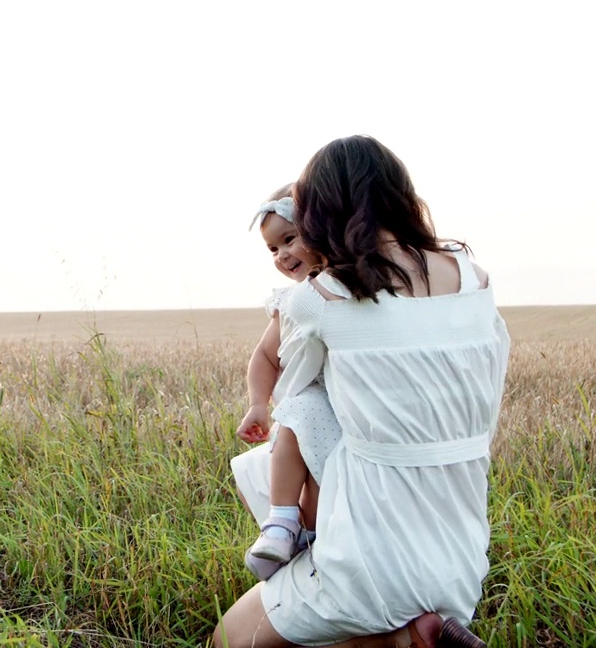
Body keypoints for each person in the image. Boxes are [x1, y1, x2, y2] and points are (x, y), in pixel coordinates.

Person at [214, 135, 510, 648]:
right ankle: (420, 626)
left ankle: (396, 628)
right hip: (460, 548)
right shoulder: (474, 278)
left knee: (228, 640)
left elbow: (294, 393)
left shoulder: (324, 296)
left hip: (366, 551)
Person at [233, 184, 344, 581]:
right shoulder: (288, 301)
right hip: (307, 402)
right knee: (297, 428)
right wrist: (258, 404)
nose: (282, 255)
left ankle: (309, 535)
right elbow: (264, 356)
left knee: (319, 479)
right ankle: (280, 524)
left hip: (347, 407)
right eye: (272, 249)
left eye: (290, 239)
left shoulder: (347, 288)